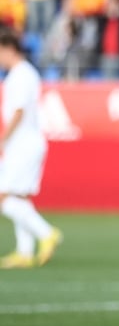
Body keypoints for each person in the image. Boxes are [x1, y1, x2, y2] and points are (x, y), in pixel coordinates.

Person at [0, 27, 60, 269]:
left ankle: (46, 233)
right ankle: (24, 252)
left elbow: (19, 110)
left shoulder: (21, 75)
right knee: (19, 197)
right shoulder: (22, 74)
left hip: (22, 143)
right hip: (25, 142)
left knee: (4, 197)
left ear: (8, 49)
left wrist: (4, 139)